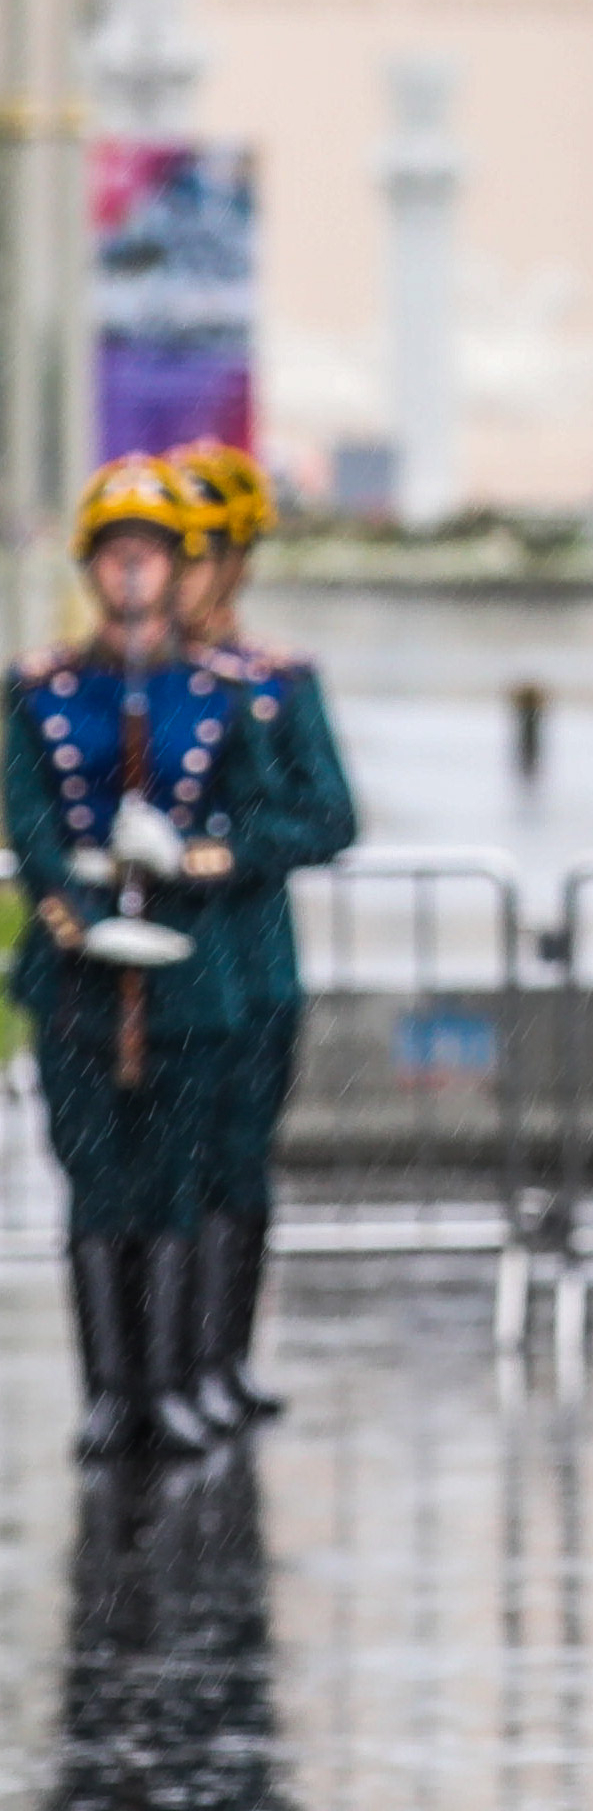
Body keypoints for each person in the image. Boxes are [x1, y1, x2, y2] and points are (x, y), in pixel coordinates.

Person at [6, 457, 283, 1460]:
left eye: (152, 557)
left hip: (187, 965)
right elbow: (29, 810)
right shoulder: (42, 690)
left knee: (172, 1175)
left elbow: (266, 817)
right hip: (79, 967)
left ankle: (168, 1380)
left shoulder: (221, 696)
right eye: (117, 556)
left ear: (177, 569)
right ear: (93, 567)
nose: (134, 575)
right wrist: (68, 905)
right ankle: (106, 1390)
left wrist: (198, 861)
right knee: (91, 1175)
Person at [168, 438, 359, 1428]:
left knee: (238, 1162)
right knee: (158, 1168)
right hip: (151, 974)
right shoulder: (124, 684)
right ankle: (155, 1374)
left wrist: (226, 849)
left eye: (201, 552)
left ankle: (220, 1359)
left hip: (252, 960)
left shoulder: (275, 681)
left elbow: (329, 815)